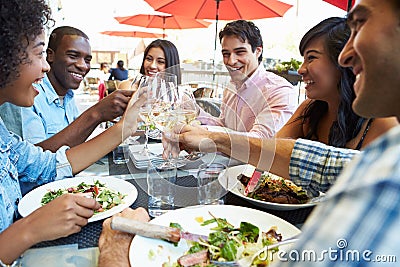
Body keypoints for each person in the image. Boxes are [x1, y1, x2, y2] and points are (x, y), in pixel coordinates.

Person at [102, 1, 400, 265]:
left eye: (361, 24)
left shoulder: (383, 145)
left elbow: (262, 147)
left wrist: (115, 255)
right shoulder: (310, 110)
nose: (348, 53)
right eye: (226, 53)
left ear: (258, 51)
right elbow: (293, 158)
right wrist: (204, 125)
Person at [0, 0, 144, 265]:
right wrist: (30, 229)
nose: (44, 67)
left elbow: (47, 164)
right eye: (38, 54)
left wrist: (125, 128)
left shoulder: (3, 138)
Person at [276, 17, 398, 149]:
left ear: (346, 61)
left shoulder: (383, 122)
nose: (300, 70)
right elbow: (271, 153)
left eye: (311, 57)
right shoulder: (310, 110)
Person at [197, 20, 297, 139]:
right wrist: (196, 112)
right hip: (228, 157)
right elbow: (224, 127)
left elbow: (258, 141)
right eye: (226, 54)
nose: (231, 61)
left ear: (258, 51)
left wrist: (205, 134)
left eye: (240, 52)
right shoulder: (231, 86)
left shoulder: (279, 91)